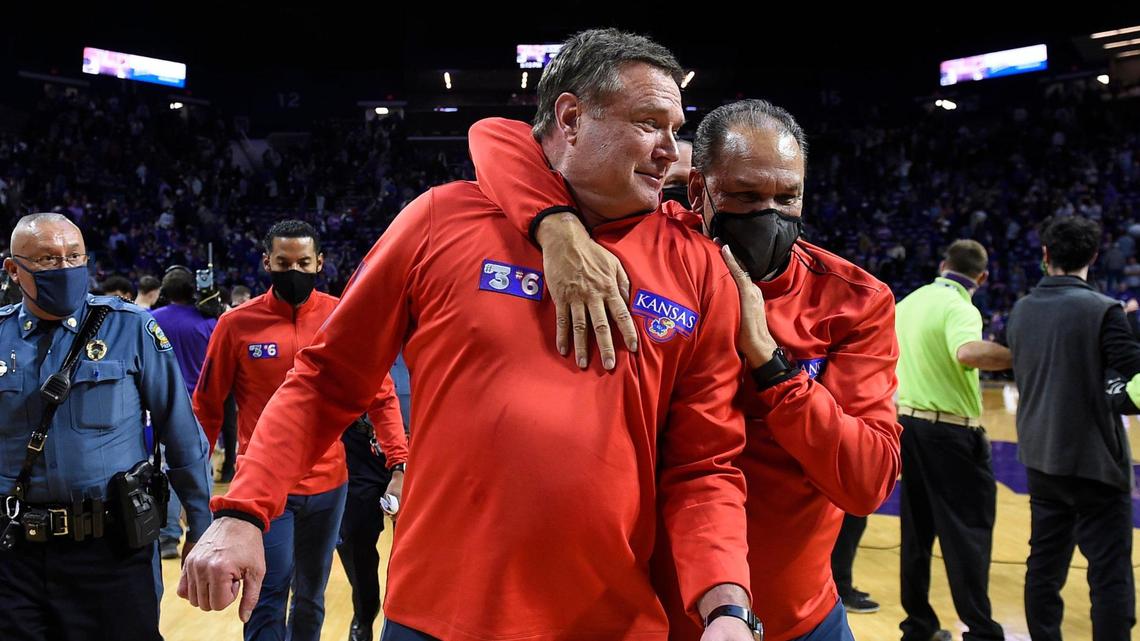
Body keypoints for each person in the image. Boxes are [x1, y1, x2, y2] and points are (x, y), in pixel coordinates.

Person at [181, 29, 758, 641]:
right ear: (570, 118)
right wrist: (244, 510)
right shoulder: (441, 219)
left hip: (611, 621)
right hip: (437, 615)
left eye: (676, 128)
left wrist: (725, 605)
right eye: (650, 123)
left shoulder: (698, 269)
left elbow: (704, 466)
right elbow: (326, 381)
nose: (673, 151)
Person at [465, 97, 901, 641]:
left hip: (800, 615)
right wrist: (559, 228)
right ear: (697, 191)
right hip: (659, 613)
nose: (768, 213)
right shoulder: (657, 248)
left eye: (786, 197)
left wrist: (768, 360)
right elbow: (494, 137)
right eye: (744, 195)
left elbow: (867, 482)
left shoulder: (853, 300)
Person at [191, 219, 408, 641]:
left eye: (303, 262)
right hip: (266, 490)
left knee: (311, 595)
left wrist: (399, 460)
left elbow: (380, 394)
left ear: (319, 263)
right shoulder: (236, 325)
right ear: (266, 262)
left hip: (330, 485)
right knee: (267, 591)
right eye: (283, 261)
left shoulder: (340, 316)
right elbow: (207, 405)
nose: (294, 270)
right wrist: (196, 482)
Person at [0, 213, 212, 640]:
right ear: (12, 269)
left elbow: (181, 433)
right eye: (46, 259)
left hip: (112, 550)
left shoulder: (131, 327)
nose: (64, 268)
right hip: (14, 552)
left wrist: (202, 526)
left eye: (73, 256)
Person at [1007, 216, 1139, 641]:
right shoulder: (1103, 310)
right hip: (1096, 465)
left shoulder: (1021, 309)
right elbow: (1133, 376)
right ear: (1094, 257)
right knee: (1110, 575)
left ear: (1045, 256)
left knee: (1043, 569)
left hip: (1041, 460)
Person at [895, 239, 1011, 641]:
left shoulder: (908, 303)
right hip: (951, 433)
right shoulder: (961, 307)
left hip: (905, 426)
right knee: (968, 534)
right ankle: (980, 630)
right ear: (982, 277)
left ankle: (918, 624)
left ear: (943, 265)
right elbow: (967, 352)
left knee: (916, 531)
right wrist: (1019, 354)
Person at [151, 266, 218, 559]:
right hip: (199, 406)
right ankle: (203, 531)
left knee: (165, 471)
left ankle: (167, 537)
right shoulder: (209, 322)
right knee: (198, 470)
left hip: (159, 405)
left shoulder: (150, 320)